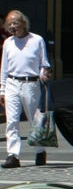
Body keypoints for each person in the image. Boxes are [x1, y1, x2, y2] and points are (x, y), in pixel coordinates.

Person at [0, 10, 51, 167]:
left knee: (33, 120)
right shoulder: (8, 43)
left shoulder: (37, 40)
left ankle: (39, 151)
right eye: (9, 24)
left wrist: (44, 73)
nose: (13, 27)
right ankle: (13, 155)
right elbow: (4, 68)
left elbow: (45, 63)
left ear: (23, 22)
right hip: (12, 84)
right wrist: (2, 90)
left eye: (15, 23)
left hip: (31, 84)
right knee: (12, 120)